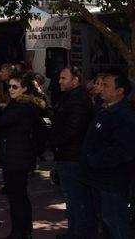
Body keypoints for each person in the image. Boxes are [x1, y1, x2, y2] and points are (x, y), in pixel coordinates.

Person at [0, 73, 47, 239]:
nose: (11, 90)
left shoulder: (21, 107)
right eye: (10, 86)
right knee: (20, 197)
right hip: (17, 157)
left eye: (15, 87)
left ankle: (18, 233)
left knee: (16, 198)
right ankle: (25, 231)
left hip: (17, 158)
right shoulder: (20, 104)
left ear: (25, 89)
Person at [80, 69, 135, 239]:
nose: (101, 88)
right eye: (101, 84)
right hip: (98, 180)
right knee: (105, 223)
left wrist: (94, 160)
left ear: (120, 91)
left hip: (112, 182)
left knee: (115, 223)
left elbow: (122, 151)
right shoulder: (103, 110)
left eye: (106, 85)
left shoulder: (124, 116)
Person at [51, 66, 93, 239]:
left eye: (64, 78)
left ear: (75, 80)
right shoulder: (70, 98)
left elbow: (72, 129)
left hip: (73, 157)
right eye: (60, 78)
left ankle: (78, 233)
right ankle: (74, 232)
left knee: (75, 198)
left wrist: (53, 139)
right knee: (72, 197)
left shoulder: (78, 100)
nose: (60, 81)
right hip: (68, 155)